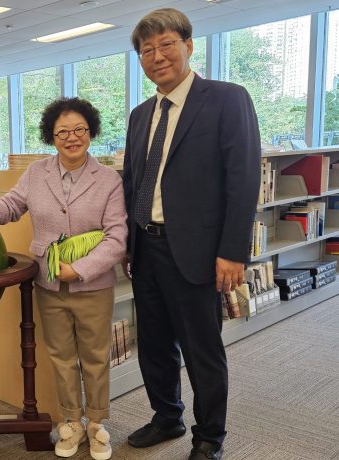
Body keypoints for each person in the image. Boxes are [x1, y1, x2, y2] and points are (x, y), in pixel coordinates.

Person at [122, 8, 260, 460]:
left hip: (199, 252)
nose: (156, 56)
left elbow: (242, 181)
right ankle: (167, 417)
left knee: (203, 351)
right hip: (147, 248)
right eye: (146, 50)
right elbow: (133, 182)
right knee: (154, 345)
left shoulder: (226, 98)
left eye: (165, 45)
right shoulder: (141, 114)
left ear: (188, 45)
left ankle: (209, 438)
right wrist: (130, 241)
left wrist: (233, 251)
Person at [0, 98, 127, 460]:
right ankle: (71, 423)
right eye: (62, 131)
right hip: (49, 286)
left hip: (93, 285)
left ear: (91, 132)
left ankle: (97, 424)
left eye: (79, 129)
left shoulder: (109, 179)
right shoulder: (37, 173)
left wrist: (80, 268)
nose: (71, 137)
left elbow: (117, 238)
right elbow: (11, 206)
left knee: (95, 357)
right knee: (62, 357)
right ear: (51, 136)